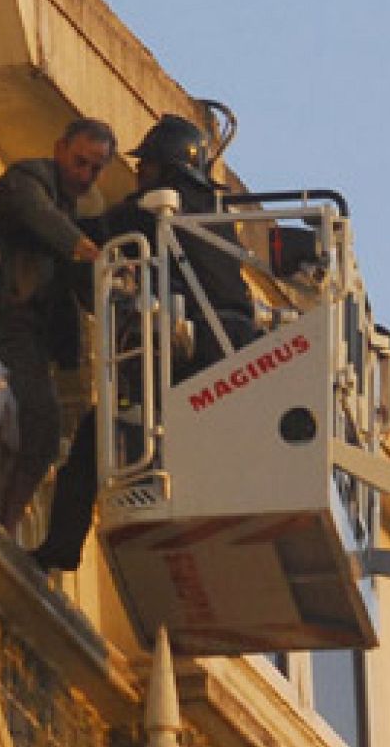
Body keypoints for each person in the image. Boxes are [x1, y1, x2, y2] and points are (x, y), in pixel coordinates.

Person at [30, 115, 255, 571]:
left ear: (167, 169)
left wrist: (55, 229)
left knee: (99, 443)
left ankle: (60, 548)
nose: (138, 174)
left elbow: (95, 243)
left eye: (146, 165)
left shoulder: (157, 212)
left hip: (181, 354)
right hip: (227, 358)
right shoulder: (215, 220)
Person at [0, 118, 117, 535]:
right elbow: (37, 213)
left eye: (94, 168)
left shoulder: (80, 212)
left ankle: (9, 520)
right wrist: (83, 248)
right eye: (79, 162)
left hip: (20, 330)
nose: (84, 175)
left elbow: (82, 285)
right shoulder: (25, 180)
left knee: (45, 426)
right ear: (59, 150)